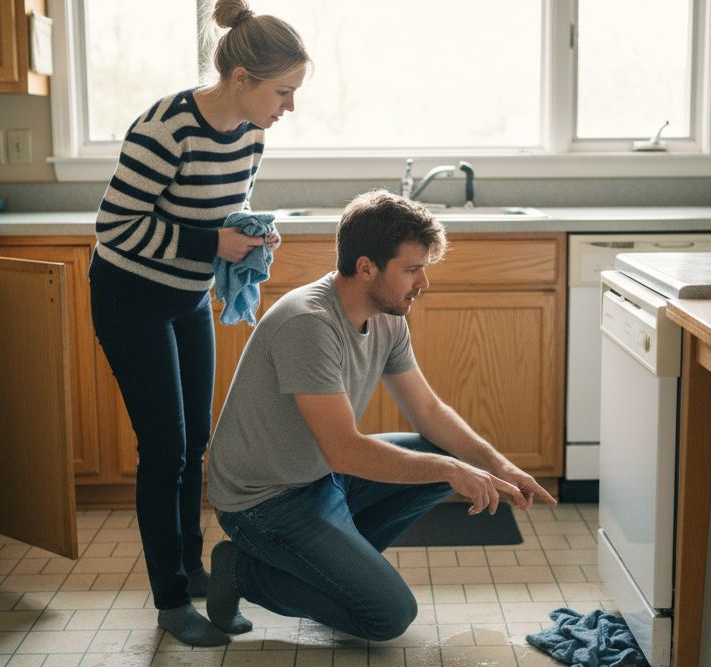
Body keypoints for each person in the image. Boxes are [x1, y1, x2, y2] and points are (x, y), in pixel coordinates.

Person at [204, 190, 559, 642]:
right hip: (263, 501)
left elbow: (428, 411)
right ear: (367, 266)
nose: (423, 283)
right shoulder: (308, 323)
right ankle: (242, 572)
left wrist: (499, 466)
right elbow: (345, 451)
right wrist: (453, 469)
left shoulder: (388, 315)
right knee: (387, 615)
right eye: (412, 270)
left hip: (318, 478)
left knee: (439, 451)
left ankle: (333, 562)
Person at [88, 0, 308, 647]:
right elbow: (117, 228)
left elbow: (219, 209)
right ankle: (169, 600)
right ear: (241, 78)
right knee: (164, 451)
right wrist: (212, 245)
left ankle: (189, 570)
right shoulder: (166, 127)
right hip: (130, 296)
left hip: (184, 297)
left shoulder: (251, 134)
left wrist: (248, 230)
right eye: (283, 92)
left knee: (195, 447)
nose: (289, 107)